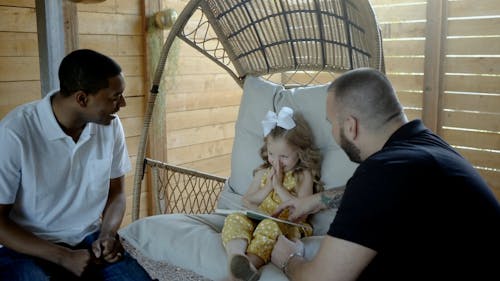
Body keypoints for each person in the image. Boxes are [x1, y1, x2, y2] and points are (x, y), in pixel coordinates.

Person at [270, 68, 500, 281]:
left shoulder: (382, 171)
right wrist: (314, 201)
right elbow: (380, 195)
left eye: (332, 124)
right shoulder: (422, 149)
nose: (332, 132)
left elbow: (323, 279)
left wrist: (288, 259)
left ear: (351, 126)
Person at [0, 49, 153, 281]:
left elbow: (117, 192)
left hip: (90, 241)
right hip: (28, 247)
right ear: (82, 99)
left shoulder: (110, 126)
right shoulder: (15, 132)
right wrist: (63, 257)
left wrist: (108, 235)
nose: (122, 103)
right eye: (114, 97)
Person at [221, 107, 323, 281]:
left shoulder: (302, 175)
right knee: (234, 219)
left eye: (283, 156)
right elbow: (247, 200)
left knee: (268, 226)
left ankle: (248, 267)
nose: (276, 162)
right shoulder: (264, 172)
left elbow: (302, 210)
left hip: (287, 225)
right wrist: (268, 187)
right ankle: (236, 257)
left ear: (300, 152)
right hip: (258, 217)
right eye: (271, 154)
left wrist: (279, 187)